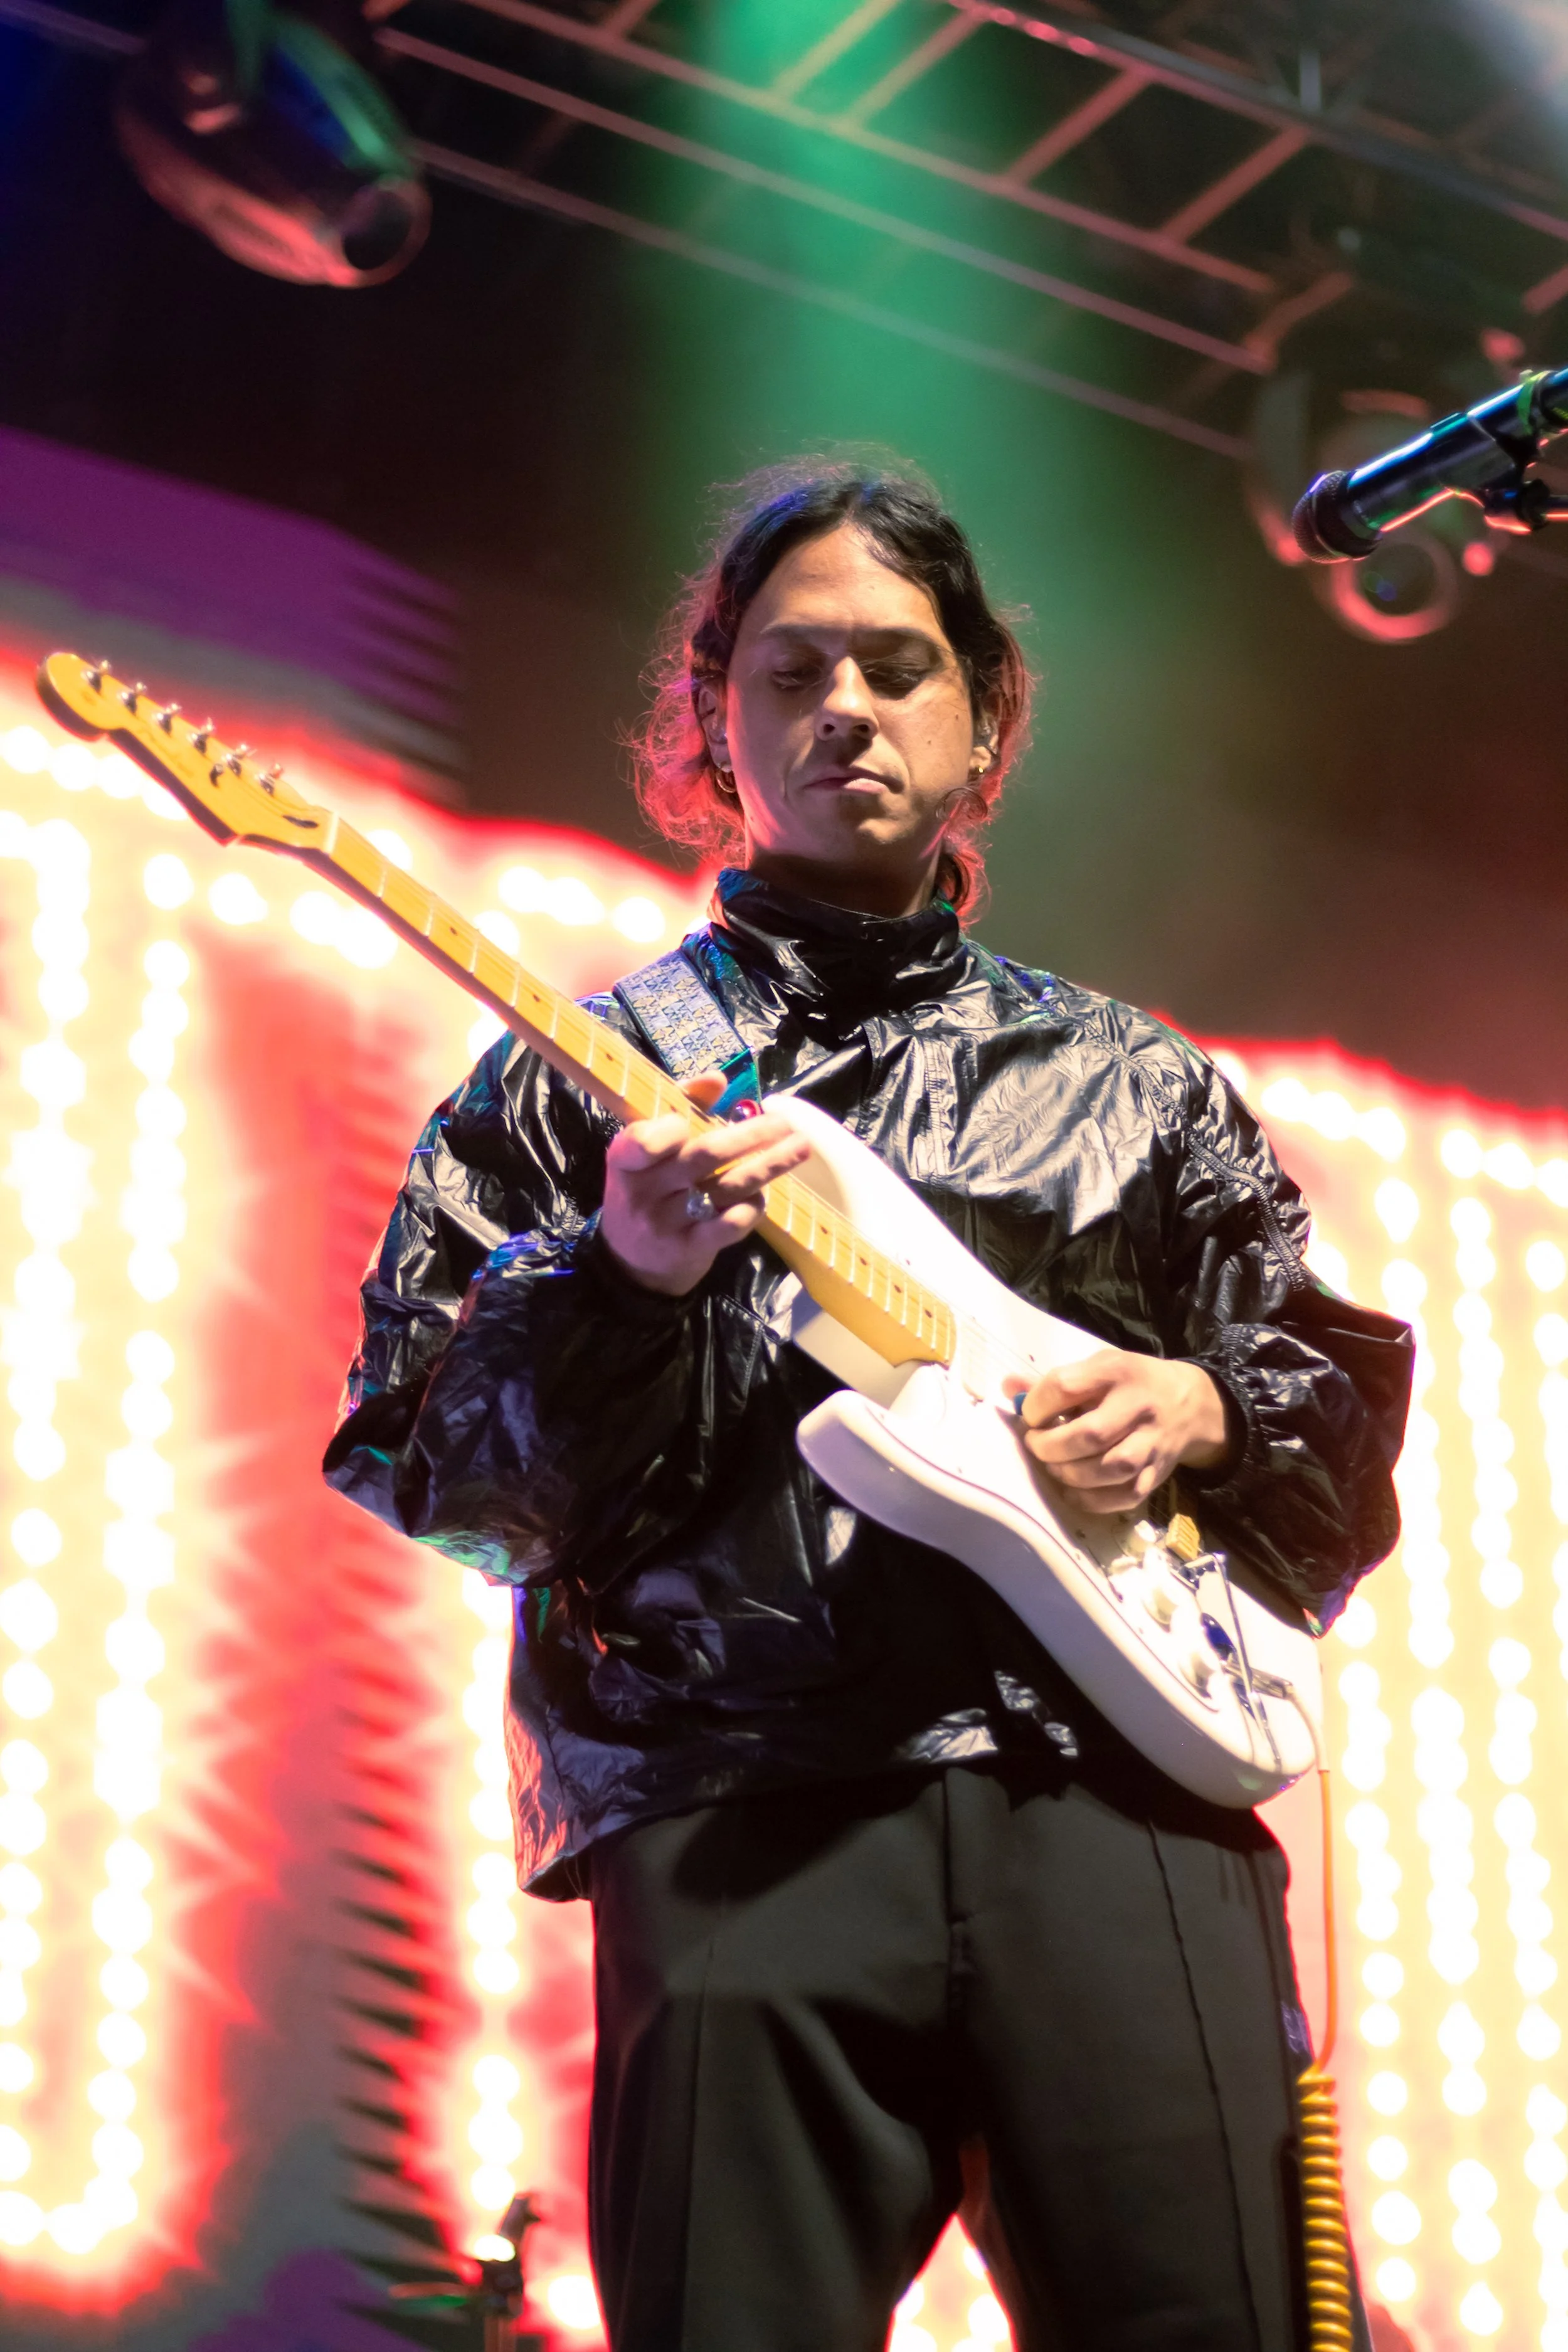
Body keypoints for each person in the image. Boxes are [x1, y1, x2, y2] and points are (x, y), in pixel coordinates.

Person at [324, 462, 1414, 2352]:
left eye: (897, 667)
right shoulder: (570, 1080)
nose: (844, 705)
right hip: (742, 1815)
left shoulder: (1134, 1081)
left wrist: (1201, 1407)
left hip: (1121, 1807)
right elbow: (437, 1460)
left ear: (983, 713)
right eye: (790, 668)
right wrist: (618, 1279)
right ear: (712, 720)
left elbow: (1331, 1403)